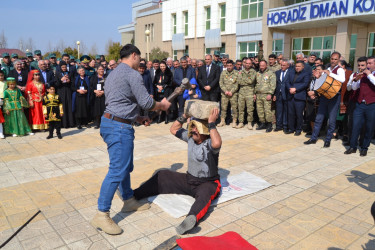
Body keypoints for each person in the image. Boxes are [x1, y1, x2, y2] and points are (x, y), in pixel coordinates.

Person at [90, 44, 171, 235]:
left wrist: (137, 117)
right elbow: (146, 102)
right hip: (118, 127)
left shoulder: (113, 73)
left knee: (124, 166)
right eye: (139, 59)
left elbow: (120, 101)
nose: (140, 63)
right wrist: (162, 105)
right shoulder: (132, 74)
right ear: (134, 55)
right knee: (117, 170)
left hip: (113, 122)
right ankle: (101, 214)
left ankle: (128, 200)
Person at [134, 108, 221, 235]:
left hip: (208, 183)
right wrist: (184, 115)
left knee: (204, 195)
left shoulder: (210, 143)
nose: (193, 130)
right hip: (189, 180)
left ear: (205, 131)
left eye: (197, 128)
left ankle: (191, 219)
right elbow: (173, 129)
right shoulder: (191, 138)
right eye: (193, 127)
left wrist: (212, 123)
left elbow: (217, 142)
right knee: (163, 175)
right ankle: (134, 195)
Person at [304, 52, 346, 147]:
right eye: (332, 58)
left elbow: (342, 80)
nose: (333, 60)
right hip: (324, 96)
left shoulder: (339, 70)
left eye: (335, 59)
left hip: (334, 96)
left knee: (331, 120)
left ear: (339, 60)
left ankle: (328, 140)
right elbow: (322, 83)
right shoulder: (327, 69)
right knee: (319, 118)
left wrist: (329, 74)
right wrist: (318, 78)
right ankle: (314, 138)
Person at [345, 57, 375, 156]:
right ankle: (352, 147)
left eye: (370, 63)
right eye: (368, 63)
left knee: (369, 127)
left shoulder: (370, 75)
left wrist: (369, 75)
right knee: (355, 125)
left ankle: (364, 147)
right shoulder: (362, 74)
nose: (368, 65)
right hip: (359, 104)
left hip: (372, 105)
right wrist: (356, 80)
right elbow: (353, 88)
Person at [345, 57, 367, 145]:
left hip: (364, 101)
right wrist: (353, 80)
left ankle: (362, 142)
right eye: (359, 65)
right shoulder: (353, 74)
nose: (360, 67)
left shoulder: (369, 75)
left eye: (362, 65)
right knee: (351, 121)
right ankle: (351, 140)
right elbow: (348, 88)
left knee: (363, 123)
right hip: (353, 101)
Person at [286, 61, 310, 136]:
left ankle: (298, 129)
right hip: (290, 95)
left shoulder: (306, 74)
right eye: (296, 66)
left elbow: (305, 84)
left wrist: (295, 89)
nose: (297, 67)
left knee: (299, 114)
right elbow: (287, 82)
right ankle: (291, 128)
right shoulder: (291, 72)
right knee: (290, 114)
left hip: (299, 96)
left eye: (299, 66)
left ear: (303, 67)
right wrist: (290, 88)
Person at [255, 60, 276, 132]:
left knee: (267, 110)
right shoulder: (257, 73)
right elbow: (256, 84)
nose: (261, 67)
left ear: (266, 65)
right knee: (260, 110)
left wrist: (270, 94)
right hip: (258, 94)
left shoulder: (271, 73)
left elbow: (273, 84)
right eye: (260, 65)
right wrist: (255, 93)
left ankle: (269, 124)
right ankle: (262, 123)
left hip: (266, 94)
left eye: (263, 65)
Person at [217, 60, 239, 128]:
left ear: (233, 66)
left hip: (233, 94)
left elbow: (237, 84)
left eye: (230, 66)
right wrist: (225, 91)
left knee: (235, 108)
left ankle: (234, 121)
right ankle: (222, 121)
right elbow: (221, 83)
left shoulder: (237, 73)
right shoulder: (223, 73)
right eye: (228, 66)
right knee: (223, 108)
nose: (229, 67)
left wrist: (231, 91)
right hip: (224, 94)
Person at [334, 60, 352, 140]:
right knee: (335, 116)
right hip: (336, 96)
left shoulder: (349, 73)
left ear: (343, 66)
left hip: (345, 97)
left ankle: (345, 134)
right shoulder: (335, 73)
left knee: (344, 117)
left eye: (338, 65)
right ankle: (336, 131)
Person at [237, 58, 256, 129]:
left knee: (250, 109)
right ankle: (241, 122)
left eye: (249, 63)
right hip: (241, 92)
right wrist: (246, 80)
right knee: (240, 108)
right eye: (246, 63)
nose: (247, 65)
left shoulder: (253, 72)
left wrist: (243, 79)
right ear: (244, 64)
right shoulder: (241, 71)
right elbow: (239, 81)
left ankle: (249, 123)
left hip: (250, 92)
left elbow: (251, 81)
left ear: (251, 64)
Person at [274, 59, 292, 132]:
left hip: (287, 94)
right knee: (279, 111)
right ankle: (278, 125)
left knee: (286, 111)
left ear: (288, 65)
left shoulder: (291, 72)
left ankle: (285, 126)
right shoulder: (277, 72)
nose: (282, 66)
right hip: (279, 94)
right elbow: (275, 84)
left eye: (284, 65)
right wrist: (275, 94)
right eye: (281, 65)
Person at [55, 61, 75, 128]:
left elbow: (73, 83)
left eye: (65, 67)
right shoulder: (57, 73)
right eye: (62, 67)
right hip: (61, 92)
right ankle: (64, 124)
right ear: (60, 67)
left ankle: (70, 123)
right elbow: (56, 84)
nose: (64, 68)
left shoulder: (69, 73)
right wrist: (61, 80)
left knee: (69, 106)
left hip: (68, 91)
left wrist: (69, 81)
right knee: (62, 107)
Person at [306, 64, 324, 135]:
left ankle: (317, 131)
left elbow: (322, 89)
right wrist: (309, 94)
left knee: (318, 117)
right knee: (311, 116)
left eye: (319, 69)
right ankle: (313, 131)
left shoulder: (323, 79)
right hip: (310, 99)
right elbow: (308, 87)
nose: (317, 71)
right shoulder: (312, 78)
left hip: (319, 100)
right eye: (316, 69)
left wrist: (315, 94)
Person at [0, 71, 6, 139]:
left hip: (5, 99)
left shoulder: (6, 82)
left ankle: (4, 130)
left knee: (4, 115)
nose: (1, 77)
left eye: (2, 75)